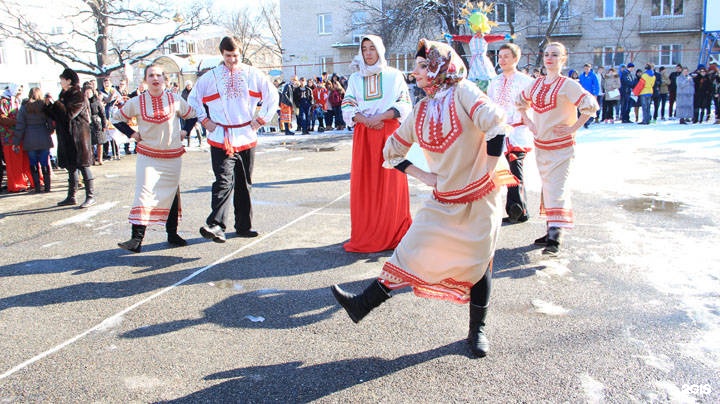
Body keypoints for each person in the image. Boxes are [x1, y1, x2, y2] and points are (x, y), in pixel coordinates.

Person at [332, 38, 516, 358]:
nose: (413, 73)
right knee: (409, 249)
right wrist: (424, 176)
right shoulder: (421, 109)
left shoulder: (463, 92)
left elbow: (497, 125)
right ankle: (362, 305)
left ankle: (478, 330)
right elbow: (391, 151)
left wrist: (486, 171)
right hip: (443, 197)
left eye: (419, 66)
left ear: (437, 66)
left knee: (478, 262)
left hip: (480, 197)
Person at [188, 36, 279, 242]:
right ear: (222, 54)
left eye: (235, 55)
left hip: (245, 134)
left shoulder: (253, 74)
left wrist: (261, 119)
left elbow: (273, 96)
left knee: (244, 183)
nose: (232, 60)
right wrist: (204, 120)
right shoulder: (210, 77)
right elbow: (193, 98)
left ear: (240, 53)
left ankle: (244, 225)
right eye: (228, 56)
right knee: (223, 180)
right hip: (221, 136)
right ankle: (216, 224)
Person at [515, 42, 599, 256]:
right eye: (546, 54)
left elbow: (590, 106)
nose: (549, 58)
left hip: (561, 147)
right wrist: (528, 121)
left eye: (555, 55)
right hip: (542, 145)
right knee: (548, 186)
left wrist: (573, 128)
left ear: (563, 59)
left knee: (557, 188)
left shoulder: (568, 84)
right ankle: (550, 227)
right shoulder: (537, 84)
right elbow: (520, 101)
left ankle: (556, 235)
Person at [112, 64, 197, 253]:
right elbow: (116, 118)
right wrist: (132, 134)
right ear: (145, 80)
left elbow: (192, 115)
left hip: (172, 155)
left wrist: (185, 131)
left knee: (171, 193)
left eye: (159, 75)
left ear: (165, 79)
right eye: (151, 75)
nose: (155, 78)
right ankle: (136, 239)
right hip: (148, 154)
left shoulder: (175, 99)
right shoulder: (136, 101)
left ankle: (172, 234)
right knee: (144, 192)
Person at [341, 35, 413, 253]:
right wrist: (365, 120)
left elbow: (404, 102)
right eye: (364, 49)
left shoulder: (394, 75)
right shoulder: (355, 78)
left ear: (380, 50)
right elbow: (348, 104)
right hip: (365, 134)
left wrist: (381, 116)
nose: (368, 53)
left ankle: (393, 231)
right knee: (366, 183)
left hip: (388, 130)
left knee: (391, 182)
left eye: (372, 48)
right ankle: (367, 231)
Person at [487, 43, 533, 223]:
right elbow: (490, 105)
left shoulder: (525, 81)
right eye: (500, 56)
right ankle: (514, 208)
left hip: (517, 131)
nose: (502, 60)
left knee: (516, 168)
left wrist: (525, 120)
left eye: (506, 56)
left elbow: (532, 107)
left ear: (516, 58)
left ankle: (517, 209)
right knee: (498, 170)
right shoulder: (494, 81)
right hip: (498, 131)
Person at [44, 69, 96, 208]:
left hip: (78, 137)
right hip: (67, 137)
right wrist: (49, 107)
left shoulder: (78, 95)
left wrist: (57, 104)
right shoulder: (64, 95)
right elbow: (58, 116)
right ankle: (71, 196)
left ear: (69, 80)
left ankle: (90, 196)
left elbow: (69, 114)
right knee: (71, 167)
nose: (60, 81)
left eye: (62, 79)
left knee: (83, 166)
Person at [13, 87, 54, 193]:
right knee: (45, 162)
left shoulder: (24, 108)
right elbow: (50, 122)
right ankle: (48, 186)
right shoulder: (44, 106)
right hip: (44, 136)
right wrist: (49, 131)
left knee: (33, 162)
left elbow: (20, 126)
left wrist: (16, 142)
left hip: (29, 137)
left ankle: (37, 187)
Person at [1, 84, 33, 192]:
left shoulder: (19, 100)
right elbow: (2, 118)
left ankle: (25, 182)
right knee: (13, 162)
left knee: (23, 161)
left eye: (22, 88)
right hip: (9, 137)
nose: (20, 90)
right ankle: (16, 185)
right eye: (18, 88)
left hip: (21, 135)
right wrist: (18, 122)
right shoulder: (4, 101)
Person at [84, 83, 107, 165]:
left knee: (99, 142)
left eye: (89, 92)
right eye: (86, 92)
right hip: (87, 123)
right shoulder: (83, 102)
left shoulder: (97, 102)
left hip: (97, 123)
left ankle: (100, 159)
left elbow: (103, 114)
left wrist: (104, 125)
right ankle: (92, 159)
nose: (88, 94)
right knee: (90, 143)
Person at [578, 64, 599, 128]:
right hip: (583, 94)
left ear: (590, 68)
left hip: (591, 94)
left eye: (587, 68)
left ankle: (588, 121)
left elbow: (596, 85)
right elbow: (580, 85)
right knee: (584, 108)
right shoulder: (581, 76)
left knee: (590, 108)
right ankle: (583, 121)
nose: (586, 70)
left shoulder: (593, 76)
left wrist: (596, 94)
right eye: (585, 68)